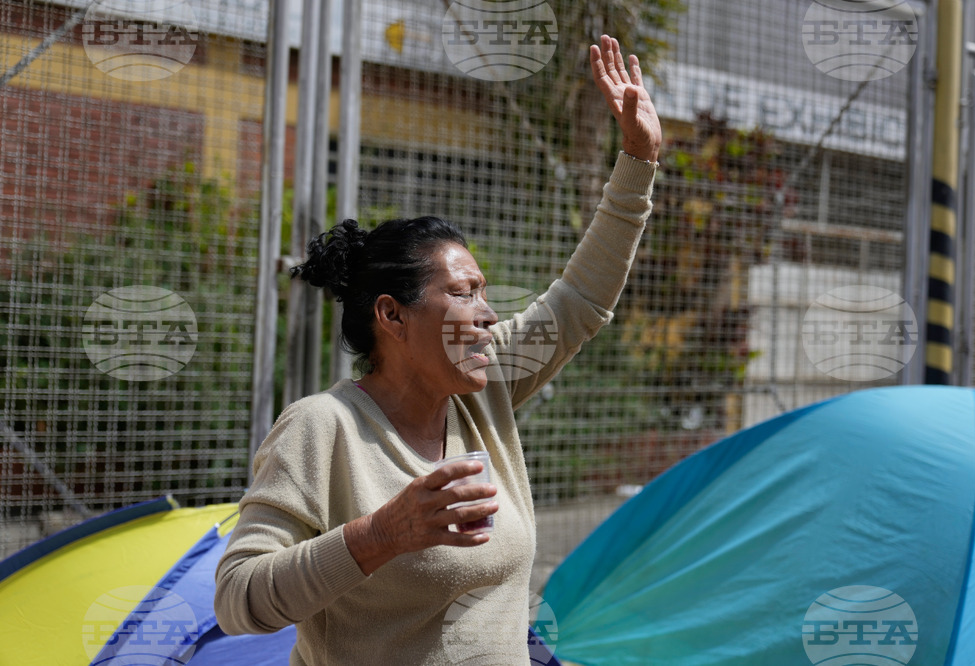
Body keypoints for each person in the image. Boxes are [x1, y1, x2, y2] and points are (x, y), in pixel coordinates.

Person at [214, 34, 661, 665]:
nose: (487, 313)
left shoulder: (487, 389)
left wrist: (639, 158)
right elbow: (237, 602)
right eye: (461, 293)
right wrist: (380, 535)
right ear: (392, 316)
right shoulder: (322, 428)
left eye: (483, 291)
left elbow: (579, 301)